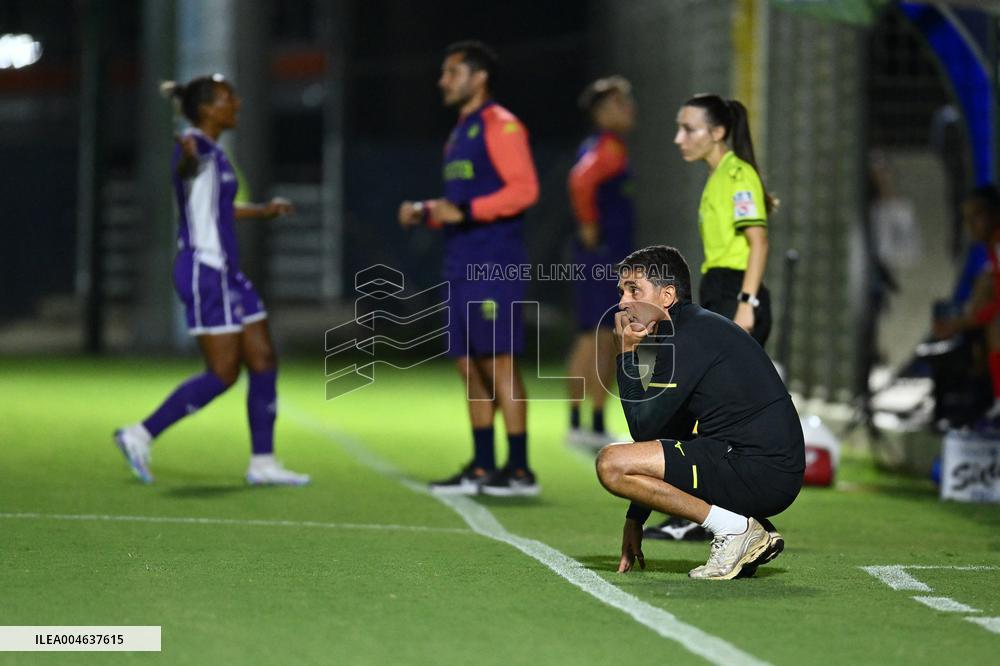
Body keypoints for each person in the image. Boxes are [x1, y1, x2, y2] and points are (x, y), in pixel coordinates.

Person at [113, 74, 309, 486]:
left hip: (228, 273)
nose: (236, 103)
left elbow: (223, 209)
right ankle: (139, 434)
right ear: (206, 109)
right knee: (222, 373)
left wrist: (263, 211)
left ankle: (263, 463)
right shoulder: (195, 147)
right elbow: (185, 168)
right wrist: (185, 156)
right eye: (227, 98)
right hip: (205, 270)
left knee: (264, 360)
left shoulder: (216, 153)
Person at [595, 245, 803, 579]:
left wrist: (625, 355)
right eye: (622, 291)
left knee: (611, 464)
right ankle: (750, 528)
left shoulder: (686, 339)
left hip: (760, 468)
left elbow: (643, 429)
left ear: (666, 296)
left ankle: (735, 529)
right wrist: (636, 517)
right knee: (633, 457)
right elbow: (667, 433)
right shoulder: (688, 330)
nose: (622, 302)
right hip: (761, 463)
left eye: (634, 290)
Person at [398, 41, 540, 496]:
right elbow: (457, 206)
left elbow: (524, 191)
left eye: (451, 72)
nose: (443, 81)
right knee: (467, 365)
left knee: (499, 363)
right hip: (460, 264)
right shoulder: (461, 130)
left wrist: (470, 210)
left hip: (493, 264)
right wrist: (424, 211)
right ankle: (482, 466)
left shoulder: (501, 125)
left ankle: (518, 470)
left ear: (478, 77)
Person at [644, 94, 776, 541]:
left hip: (735, 291)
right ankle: (704, 512)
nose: (679, 138)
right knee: (698, 406)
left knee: (706, 408)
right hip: (720, 288)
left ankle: (704, 514)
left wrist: (747, 303)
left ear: (717, 132)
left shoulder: (737, 174)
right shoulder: (720, 176)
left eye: (689, 129)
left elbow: (758, 243)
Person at [566, 76, 636, 449]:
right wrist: (590, 225)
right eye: (620, 103)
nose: (629, 109)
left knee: (597, 335)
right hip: (603, 256)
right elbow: (580, 181)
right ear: (602, 111)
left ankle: (586, 423)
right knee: (599, 337)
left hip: (606, 255)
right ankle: (584, 424)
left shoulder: (606, 146)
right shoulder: (607, 149)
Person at [935, 184, 1000, 421]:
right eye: (967, 219)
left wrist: (961, 324)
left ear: (993, 214)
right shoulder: (992, 247)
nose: (971, 225)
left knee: (995, 326)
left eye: (977, 217)